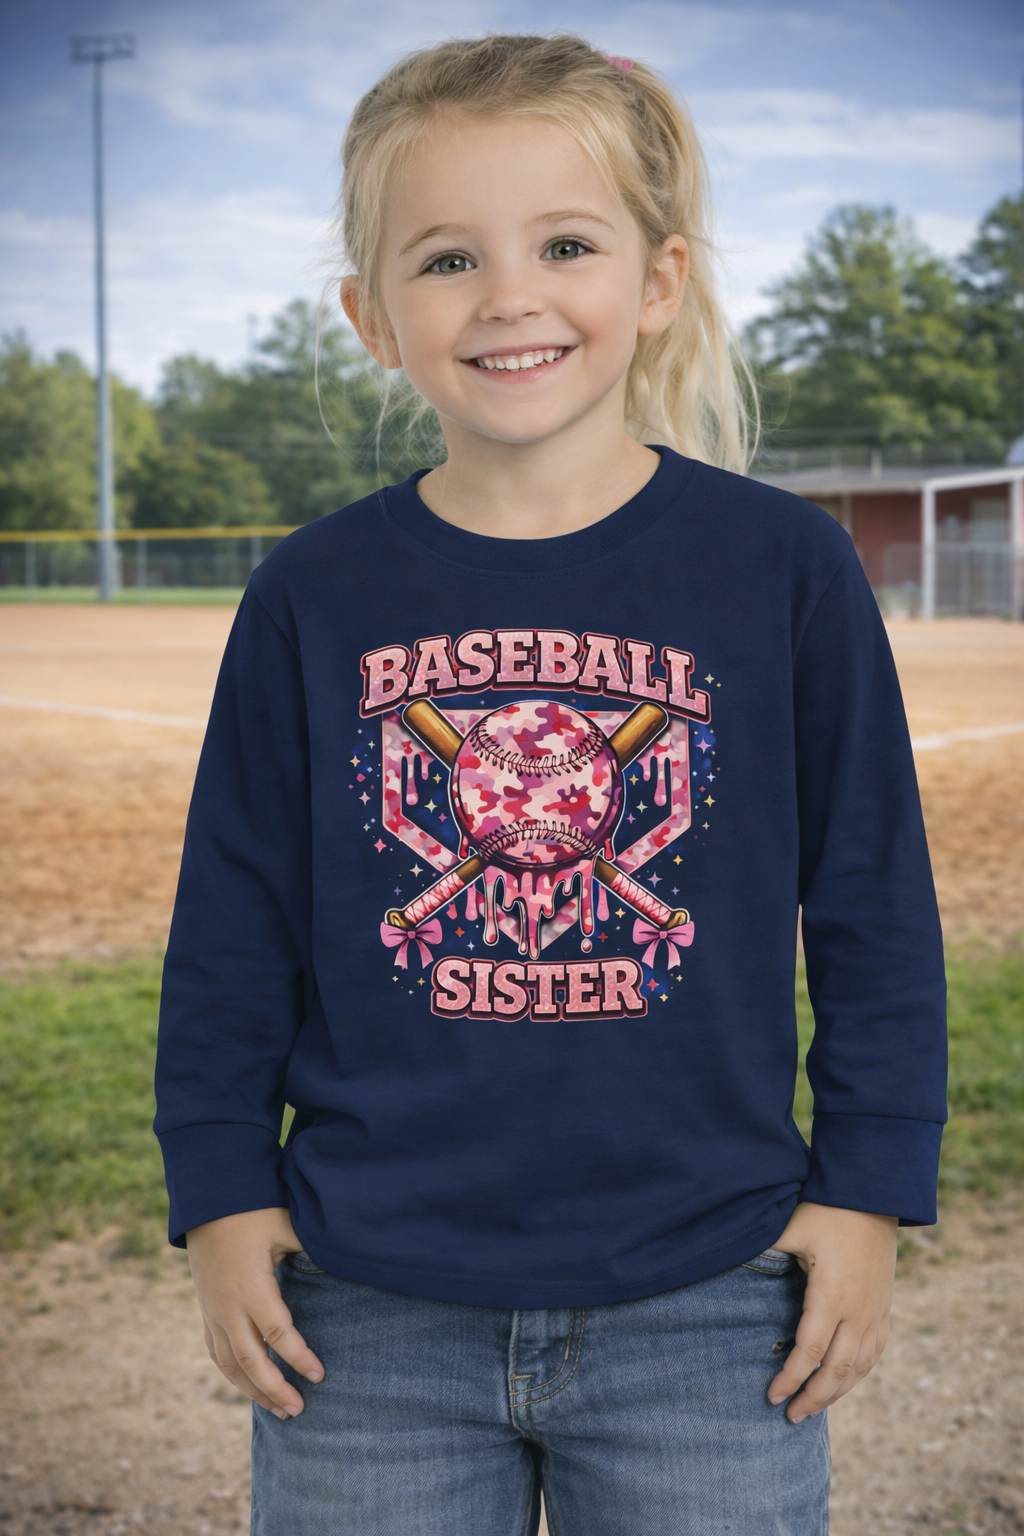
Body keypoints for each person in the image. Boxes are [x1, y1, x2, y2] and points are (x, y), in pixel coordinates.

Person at [154, 34, 947, 1536]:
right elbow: (234, 920)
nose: (509, 295)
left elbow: (874, 907)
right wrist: (218, 1189)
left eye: (564, 244)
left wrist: (865, 1191)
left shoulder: (784, 572)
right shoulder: (312, 595)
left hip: (711, 1296)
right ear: (371, 318)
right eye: (447, 258)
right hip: (367, 1301)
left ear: (656, 283)